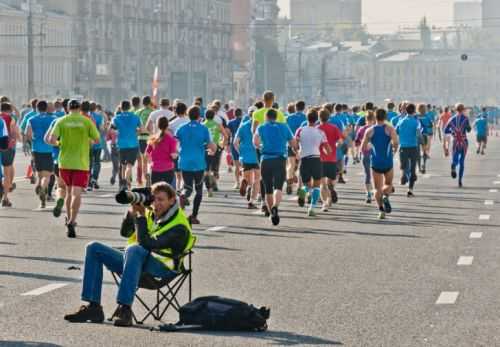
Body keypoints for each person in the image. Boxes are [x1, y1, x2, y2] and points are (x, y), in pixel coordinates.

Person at [64, 182, 195, 327]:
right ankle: (93, 307)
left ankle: (125, 309)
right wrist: (131, 214)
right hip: (134, 263)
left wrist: (140, 216)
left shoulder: (179, 225)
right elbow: (125, 233)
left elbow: (145, 243)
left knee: (135, 249)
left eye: (161, 200)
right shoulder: (151, 212)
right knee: (94, 248)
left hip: (162, 270)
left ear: (172, 201)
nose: (156, 204)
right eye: (155, 199)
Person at [47, 99, 100, 238]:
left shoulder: (61, 121)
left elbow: (51, 140)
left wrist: (60, 143)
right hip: (81, 162)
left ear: (68, 108)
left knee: (68, 191)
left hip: (64, 162)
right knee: (76, 193)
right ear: (80, 108)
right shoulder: (87, 121)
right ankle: (72, 221)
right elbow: (97, 139)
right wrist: (86, 141)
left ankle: (68, 218)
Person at [253, 109, 297, 226]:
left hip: (265, 160)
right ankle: (275, 206)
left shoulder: (261, 127)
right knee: (278, 186)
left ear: (266, 117)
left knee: (268, 188)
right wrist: (294, 148)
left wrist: (261, 146)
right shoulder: (284, 126)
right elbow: (293, 143)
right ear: (276, 117)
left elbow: (255, 141)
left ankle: (271, 213)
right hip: (280, 159)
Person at [176, 106, 216, 225]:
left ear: (188, 115)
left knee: (187, 186)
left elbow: (175, 144)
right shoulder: (203, 128)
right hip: (199, 162)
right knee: (198, 189)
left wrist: (181, 152)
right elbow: (210, 145)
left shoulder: (181, 128)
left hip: (184, 161)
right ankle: (194, 216)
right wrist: (212, 151)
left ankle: (183, 196)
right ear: (199, 116)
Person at [361, 109, 399, 219]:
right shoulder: (390, 129)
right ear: (385, 117)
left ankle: (381, 210)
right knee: (388, 184)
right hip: (387, 161)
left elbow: (363, 147)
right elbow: (396, 143)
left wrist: (369, 148)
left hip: (375, 162)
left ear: (374, 118)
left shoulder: (369, 130)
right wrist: (394, 150)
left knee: (376, 189)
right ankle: (385, 196)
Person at [295, 109, 330, 217]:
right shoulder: (320, 132)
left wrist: (297, 152)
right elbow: (327, 150)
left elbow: (294, 145)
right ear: (317, 120)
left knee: (307, 185)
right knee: (316, 186)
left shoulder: (300, 130)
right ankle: (311, 208)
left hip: (304, 159)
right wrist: (327, 151)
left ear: (307, 118)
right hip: (316, 159)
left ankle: (304, 190)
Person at [26, 100, 57, 208]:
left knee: (40, 173)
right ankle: (43, 188)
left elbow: (28, 135)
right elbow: (56, 134)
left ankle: (40, 186)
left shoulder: (32, 119)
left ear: (37, 108)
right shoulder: (54, 119)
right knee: (47, 175)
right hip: (49, 150)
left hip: (36, 149)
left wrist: (31, 142)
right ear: (46, 108)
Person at [112, 101, 143, 191]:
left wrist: (119, 133)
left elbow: (112, 130)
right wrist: (135, 133)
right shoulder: (135, 117)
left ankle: (123, 184)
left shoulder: (116, 117)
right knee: (129, 165)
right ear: (129, 107)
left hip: (121, 144)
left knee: (123, 164)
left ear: (121, 107)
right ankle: (126, 181)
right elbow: (142, 129)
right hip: (133, 144)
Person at [234, 109, 260, 209]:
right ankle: (251, 201)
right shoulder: (260, 126)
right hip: (257, 155)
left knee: (248, 177)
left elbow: (235, 142)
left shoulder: (243, 125)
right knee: (257, 179)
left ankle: (245, 183)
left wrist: (240, 153)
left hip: (245, 156)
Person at [396, 103, 421, 197]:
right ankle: (410, 190)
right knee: (413, 169)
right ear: (414, 111)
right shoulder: (416, 122)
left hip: (403, 147)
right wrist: (422, 142)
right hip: (413, 147)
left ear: (406, 110)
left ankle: (404, 176)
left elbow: (396, 132)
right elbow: (419, 134)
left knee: (404, 166)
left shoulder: (401, 121)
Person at [443, 103, 471, 188]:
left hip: (455, 141)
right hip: (464, 142)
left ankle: (454, 165)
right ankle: (460, 181)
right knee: (462, 161)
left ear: (456, 109)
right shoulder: (465, 119)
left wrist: (453, 132)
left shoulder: (451, 119)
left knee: (455, 158)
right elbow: (469, 130)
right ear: (463, 110)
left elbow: (445, 130)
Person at [203, 109, 228, 197]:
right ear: (213, 116)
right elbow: (226, 135)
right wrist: (222, 144)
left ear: (205, 116)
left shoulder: (202, 125)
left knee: (206, 170)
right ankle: (214, 184)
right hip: (216, 147)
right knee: (214, 168)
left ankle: (209, 189)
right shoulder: (217, 125)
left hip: (205, 148)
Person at [145, 117, 177, 185]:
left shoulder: (152, 138)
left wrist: (151, 162)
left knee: (155, 191)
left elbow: (146, 154)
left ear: (157, 125)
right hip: (168, 169)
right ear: (167, 125)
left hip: (155, 169)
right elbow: (173, 156)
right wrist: (177, 154)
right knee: (167, 191)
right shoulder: (171, 140)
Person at [0, 102, 20, 207]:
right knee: (7, 173)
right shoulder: (10, 118)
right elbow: (14, 131)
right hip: (7, 147)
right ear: (9, 110)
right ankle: (5, 198)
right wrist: (19, 138)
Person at [285, 100, 307, 194]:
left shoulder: (288, 117)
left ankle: (289, 183)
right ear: (304, 108)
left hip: (290, 143)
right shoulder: (305, 118)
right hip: (302, 144)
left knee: (291, 164)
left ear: (295, 107)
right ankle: (299, 187)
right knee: (301, 166)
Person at [355, 110, 376, 203]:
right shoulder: (376, 129)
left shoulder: (362, 129)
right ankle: (376, 192)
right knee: (377, 174)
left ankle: (368, 194)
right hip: (376, 155)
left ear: (366, 119)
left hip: (365, 154)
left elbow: (356, 142)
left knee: (367, 174)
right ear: (374, 119)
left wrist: (357, 153)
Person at [135, 96, 155, 186]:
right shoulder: (153, 112)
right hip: (151, 138)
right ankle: (150, 175)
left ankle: (145, 177)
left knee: (144, 160)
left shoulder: (138, 112)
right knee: (152, 159)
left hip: (141, 138)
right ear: (150, 102)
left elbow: (135, 126)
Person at [89, 102, 104, 190]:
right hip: (97, 142)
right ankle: (95, 179)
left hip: (87, 143)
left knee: (88, 162)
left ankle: (89, 180)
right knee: (97, 162)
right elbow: (102, 129)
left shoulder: (85, 116)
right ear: (95, 108)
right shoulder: (99, 116)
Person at [227, 108, 243, 190]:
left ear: (234, 114)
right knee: (244, 165)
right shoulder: (244, 121)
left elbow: (228, 133)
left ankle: (237, 183)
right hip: (243, 143)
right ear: (241, 114)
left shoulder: (230, 122)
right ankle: (245, 181)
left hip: (234, 143)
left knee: (236, 165)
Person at [417, 104, 433, 174]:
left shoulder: (416, 116)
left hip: (417, 136)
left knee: (417, 152)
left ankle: (419, 166)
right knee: (424, 151)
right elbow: (430, 125)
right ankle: (423, 165)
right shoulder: (427, 116)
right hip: (424, 135)